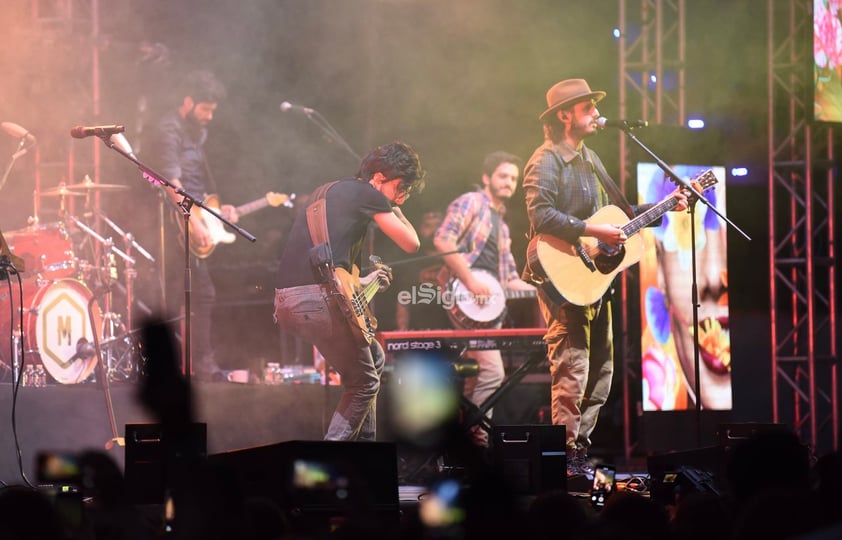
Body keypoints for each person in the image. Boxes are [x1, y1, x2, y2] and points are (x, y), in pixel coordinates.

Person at [521, 79, 690, 476]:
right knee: (572, 368)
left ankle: (577, 453)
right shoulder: (545, 160)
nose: (597, 114)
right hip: (560, 278)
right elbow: (541, 216)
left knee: (601, 373)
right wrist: (593, 233)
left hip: (593, 279)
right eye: (588, 108)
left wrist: (666, 205)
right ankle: (563, 459)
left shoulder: (590, 158)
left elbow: (615, 216)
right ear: (565, 116)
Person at [274, 141, 425, 441]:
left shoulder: (327, 192)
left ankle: (365, 457)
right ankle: (331, 466)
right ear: (379, 177)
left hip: (288, 300)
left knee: (374, 357)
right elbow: (412, 243)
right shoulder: (369, 193)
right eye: (401, 187)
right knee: (364, 383)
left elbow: (335, 270)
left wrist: (367, 282)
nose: (403, 196)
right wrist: (394, 205)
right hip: (316, 300)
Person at [433, 151, 536, 445]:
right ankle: (477, 443)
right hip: (464, 296)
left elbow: (509, 281)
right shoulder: (471, 202)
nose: (509, 183)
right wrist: (470, 280)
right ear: (486, 178)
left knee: (478, 375)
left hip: (490, 307)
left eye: (514, 178)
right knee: (493, 371)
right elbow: (443, 239)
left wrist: (546, 289)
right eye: (503, 176)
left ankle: (463, 450)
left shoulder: (502, 227)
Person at [144, 69, 235, 382]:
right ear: (188, 101)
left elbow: (197, 181)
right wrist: (192, 218)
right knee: (186, 294)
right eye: (205, 109)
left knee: (201, 295)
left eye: (212, 111)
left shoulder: (197, 132)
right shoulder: (169, 130)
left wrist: (218, 210)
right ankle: (192, 366)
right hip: (173, 224)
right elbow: (170, 181)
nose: (209, 116)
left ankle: (197, 365)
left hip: (196, 215)